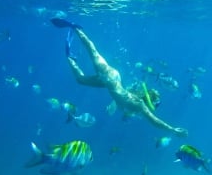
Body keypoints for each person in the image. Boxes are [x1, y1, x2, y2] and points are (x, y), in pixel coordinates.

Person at [51, 18, 188, 137]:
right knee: (93, 53)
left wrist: (113, 103)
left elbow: (120, 95)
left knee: (81, 79)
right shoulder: (140, 105)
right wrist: (172, 129)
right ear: (149, 101)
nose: (153, 108)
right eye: (154, 105)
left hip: (111, 80)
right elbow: (155, 121)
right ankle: (75, 28)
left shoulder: (136, 99)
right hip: (109, 77)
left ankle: (69, 55)